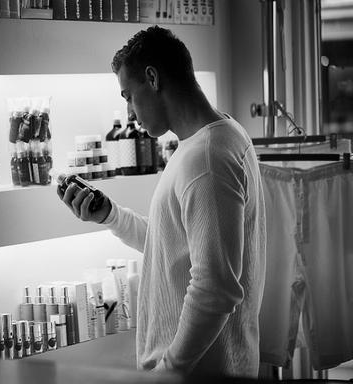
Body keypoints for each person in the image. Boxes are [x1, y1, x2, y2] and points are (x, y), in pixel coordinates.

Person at [57, 26, 266, 378]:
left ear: (152, 78)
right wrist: (111, 216)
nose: (129, 111)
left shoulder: (208, 158)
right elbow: (175, 248)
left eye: (128, 95)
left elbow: (215, 289)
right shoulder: (212, 140)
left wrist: (170, 370)